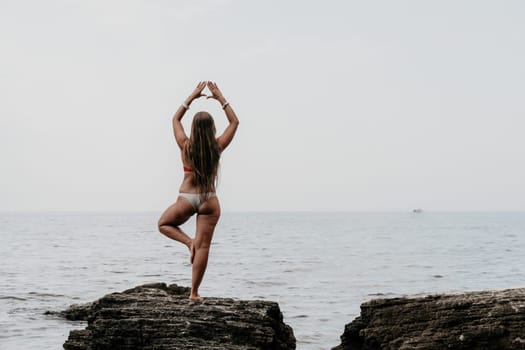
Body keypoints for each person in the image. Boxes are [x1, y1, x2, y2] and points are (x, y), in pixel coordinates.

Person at [158, 81, 239, 301]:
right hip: (209, 200)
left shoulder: (185, 145)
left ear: (193, 128)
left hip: (187, 197)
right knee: (204, 246)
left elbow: (175, 119)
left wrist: (192, 97)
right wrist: (220, 97)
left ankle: (188, 242)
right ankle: (194, 293)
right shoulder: (217, 146)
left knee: (163, 224)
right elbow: (235, 122)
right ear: (212, 129)